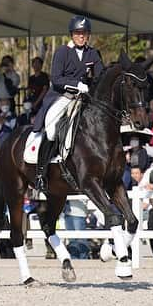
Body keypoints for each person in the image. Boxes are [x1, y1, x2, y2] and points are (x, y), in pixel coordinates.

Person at [33, 15, 104, 192]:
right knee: (51, 129)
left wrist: (92, 86)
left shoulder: (92, 53)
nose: (81, 36)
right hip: (62, 95)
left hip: (85, 96)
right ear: (72, 34)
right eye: (78, 33)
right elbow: (56, 79)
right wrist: (75, 85)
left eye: (84, 33)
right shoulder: (62, 52)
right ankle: (40, 174)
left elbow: (100, 75)